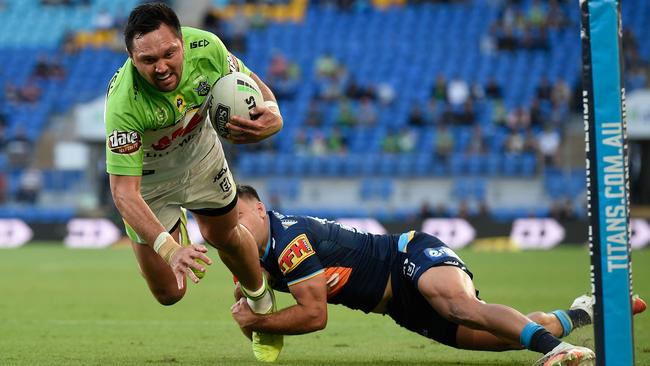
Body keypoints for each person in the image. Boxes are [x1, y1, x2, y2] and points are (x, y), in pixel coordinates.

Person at [230, 185, 647, 365]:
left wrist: (259, 321)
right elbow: (263, 332)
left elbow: (314, 315)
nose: (235, 227)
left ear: (261, 208)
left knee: (461, 306)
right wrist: (255, 320)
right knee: (503, 340)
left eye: (239, 215)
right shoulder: (252, 259)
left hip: (406, 254)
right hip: (398, 307)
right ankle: (587, 311)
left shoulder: (289, 240)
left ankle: (552, 350)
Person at [103, 3, 283, 362]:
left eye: (169, 53)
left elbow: (261, 94)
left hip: (201, 159)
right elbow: (123, 193)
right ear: (131, 59)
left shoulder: (209, 49)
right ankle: (174, 227)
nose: (161, 67)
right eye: (148, 60)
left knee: (224, 236)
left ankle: (262, 307)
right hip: (149, 185)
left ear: (182, 42)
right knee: (169, 293)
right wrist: (171, 249)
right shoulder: (123, 102)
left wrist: (274, 115)